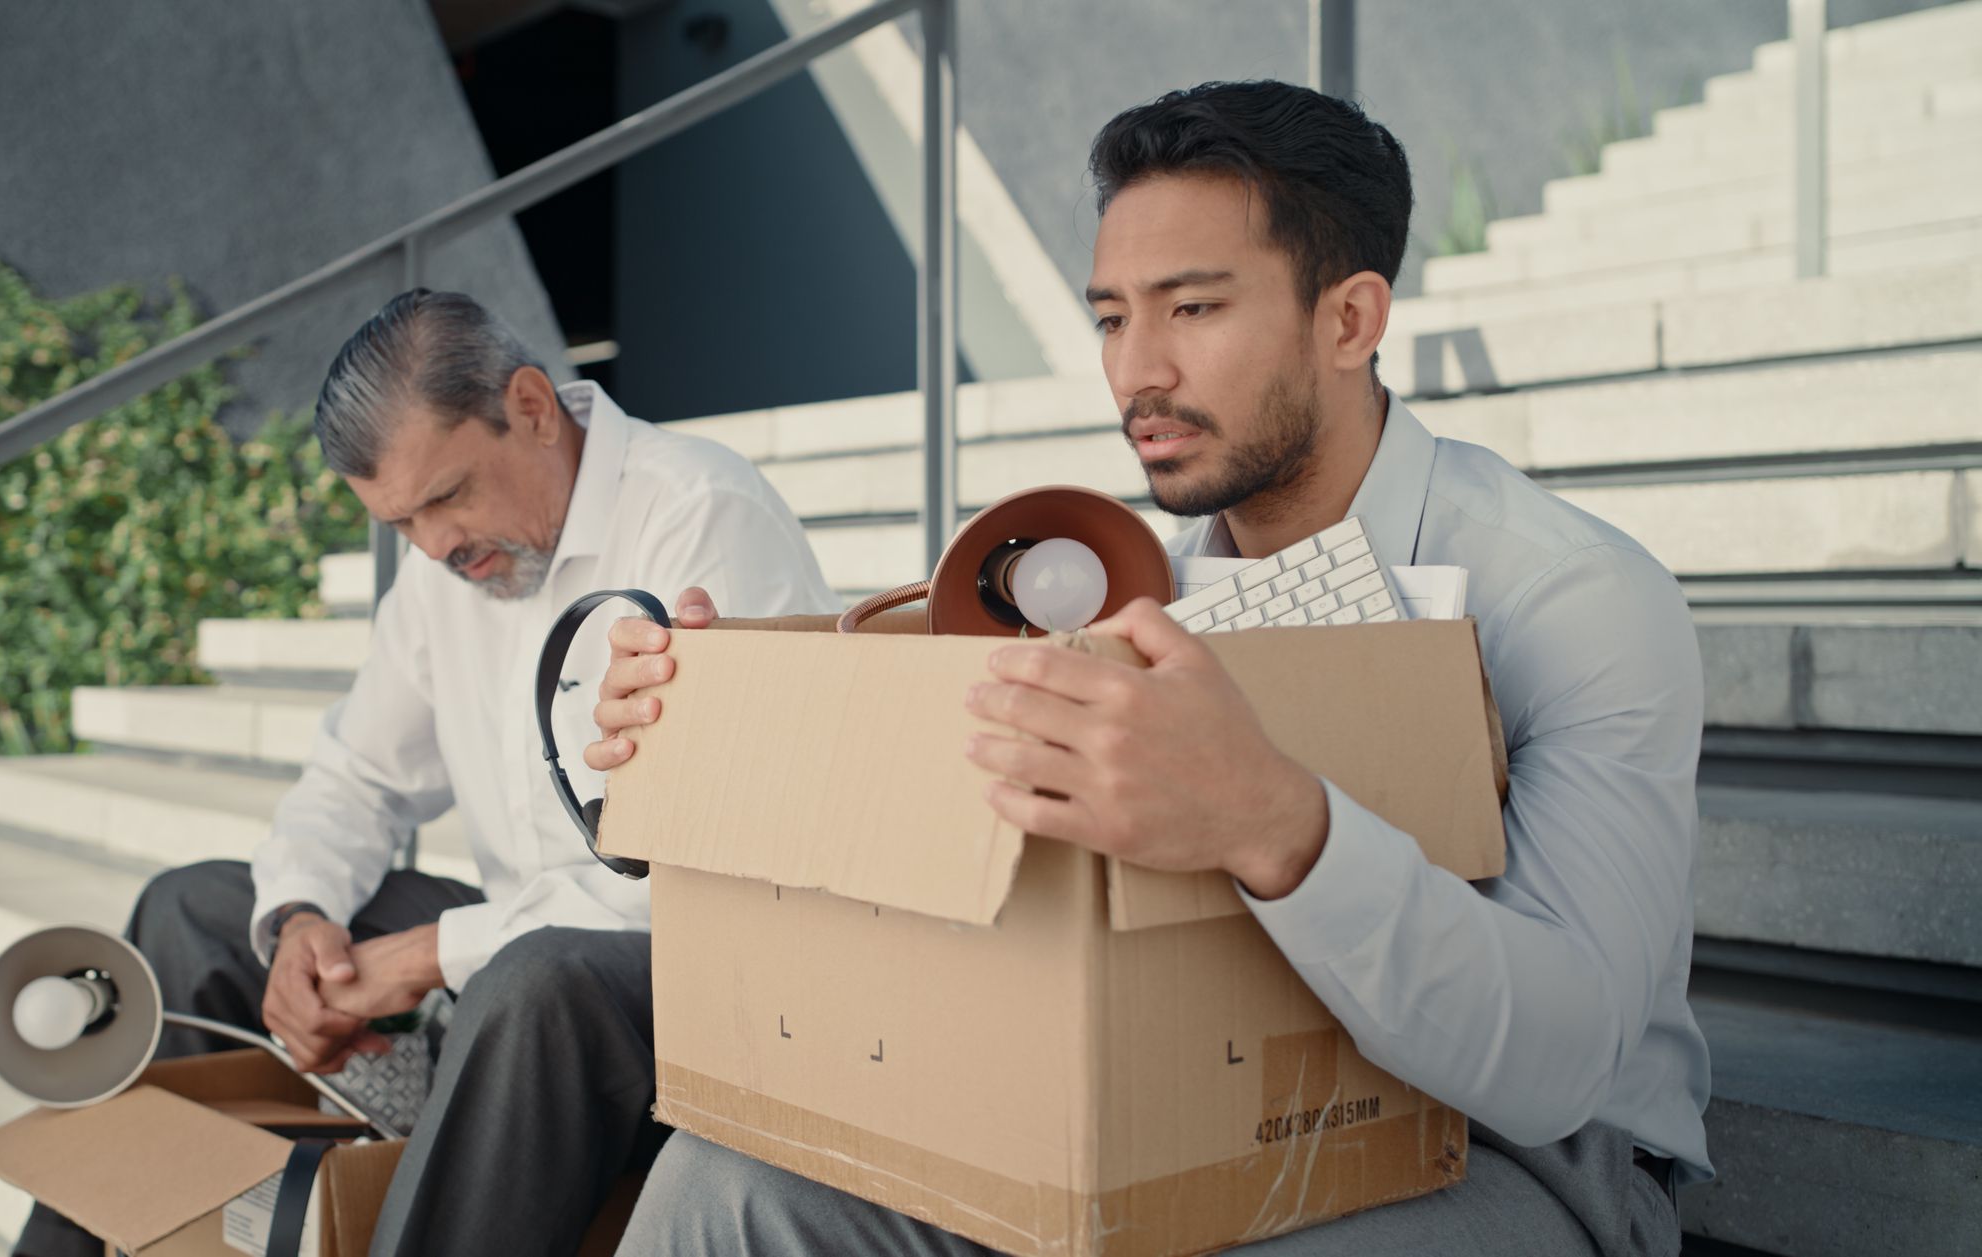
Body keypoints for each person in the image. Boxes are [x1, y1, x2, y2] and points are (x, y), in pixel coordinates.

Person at [591, 81, 1707, 1256]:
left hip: (1517, 1159)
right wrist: (713, 726)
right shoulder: (1133, 592)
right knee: (724, 1189)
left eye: (1192, 308)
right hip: (1171, 1079)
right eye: (1111, 319)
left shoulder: (1574, 598)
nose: (1136, 372)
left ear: (1348, 321)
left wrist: (1274, 823)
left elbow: (1561, 1068)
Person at [11, 288, 836, 1257]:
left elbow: (717, 870)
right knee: (190, 912)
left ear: (531, 407)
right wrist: (302, 921)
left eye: (446, 497)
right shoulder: (450, 568)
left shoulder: (699, 516)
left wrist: (431, 954)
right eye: (400, 524)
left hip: (698, 981)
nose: (436, 546)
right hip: (517, 965)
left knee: (534, 981)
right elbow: (358, 775)